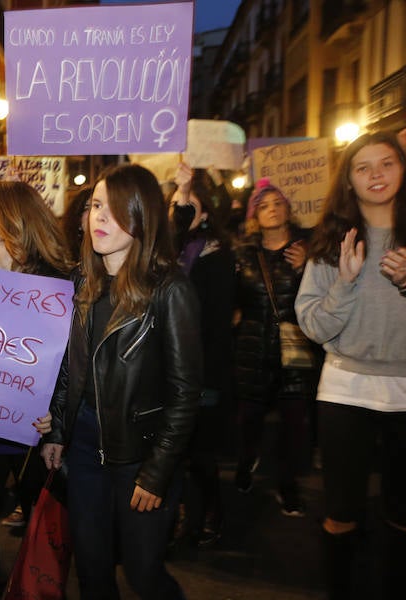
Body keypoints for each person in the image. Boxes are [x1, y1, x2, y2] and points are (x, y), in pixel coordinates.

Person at [296, 131, 406, 600]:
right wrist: (345, 284)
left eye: (386, 164)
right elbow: (312, 324)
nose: (375, 175)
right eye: (362, 167)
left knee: (405, 515)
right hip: (345, 388)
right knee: (340, 512)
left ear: (404, 168)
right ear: (348, 180)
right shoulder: (333, 239)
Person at [41, 163, 201, 600]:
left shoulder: (169, 289)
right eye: (94, 206)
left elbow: (186, 395)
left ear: (141, 216)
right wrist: (58, 429)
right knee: (92, 572)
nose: (99, 218)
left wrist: (156, 473)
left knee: (143, 574)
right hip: (85, 449)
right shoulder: (80, 282)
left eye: (112, 209)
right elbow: (67, 367)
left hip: (141, 452)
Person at [0, 180, 72, 597]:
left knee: (41, 529)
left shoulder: (55, 284)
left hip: (31, 434)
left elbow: (67, 363)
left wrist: (56, 422)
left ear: (13, 217)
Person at [232, 178, 315, 518]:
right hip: (251, 349)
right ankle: (246, 459)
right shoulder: (243, 253)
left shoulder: (307, 250)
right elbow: (233, 299)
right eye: (263, 205)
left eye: (277, 203)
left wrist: (307, 266)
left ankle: (288, 483)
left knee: (293, 423)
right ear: (254, 215)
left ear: (288, 210)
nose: (271, 209)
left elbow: (321, 294)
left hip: (294, 349)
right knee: (249, 418)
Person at [168, 162, 235, 547]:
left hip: (202, 367)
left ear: (204, 213)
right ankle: (177, 514)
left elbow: (214, 321)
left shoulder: (216, 255)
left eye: (187, 203)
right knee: (172, 449)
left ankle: (210, 509)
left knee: (199, 450)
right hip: (164, 369)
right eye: (174, 203)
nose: (179, 209)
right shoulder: (162, 252)